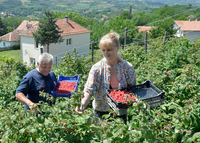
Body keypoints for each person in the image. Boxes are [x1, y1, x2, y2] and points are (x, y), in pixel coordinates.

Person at [76, 31, 136, 123]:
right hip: (101, 112)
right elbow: (89, 90)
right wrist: (82, 105)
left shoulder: (127, 67)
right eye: (103, 50)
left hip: (122, 112)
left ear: (117, 48)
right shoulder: (97, 69)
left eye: (109, 49)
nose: (106, 53)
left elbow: (133, 90)